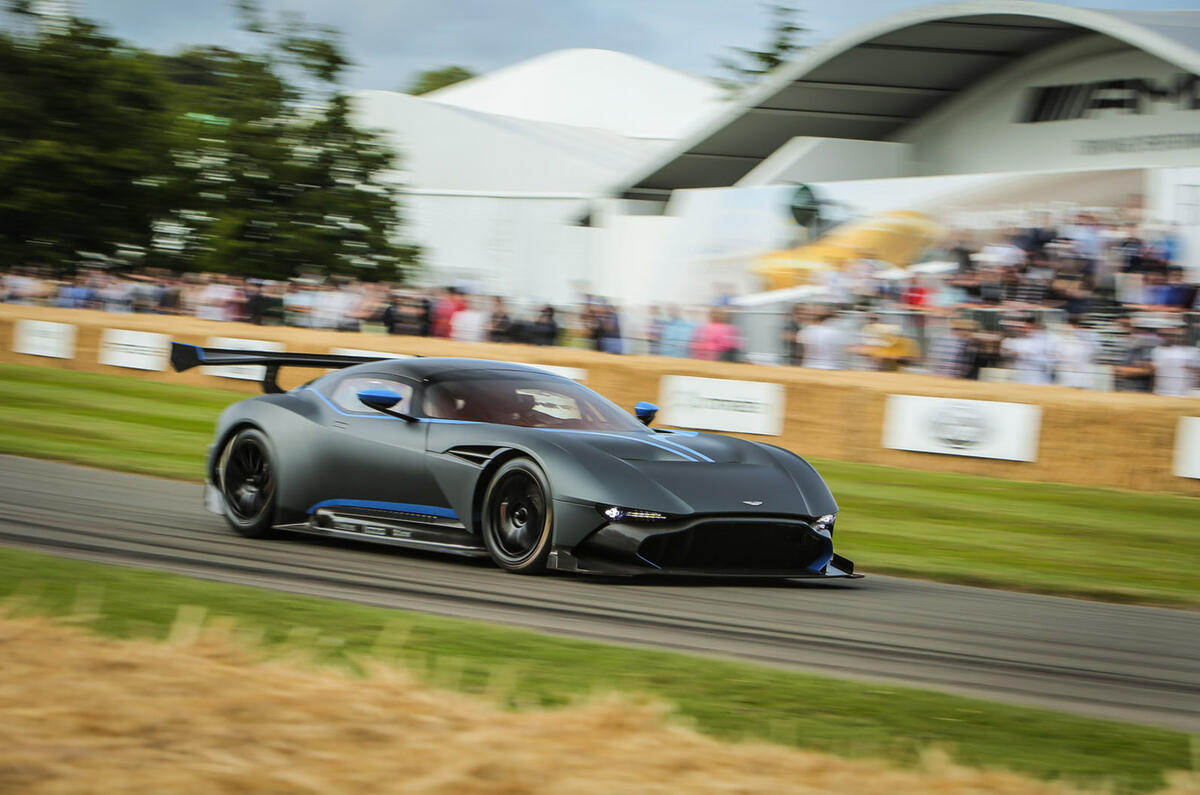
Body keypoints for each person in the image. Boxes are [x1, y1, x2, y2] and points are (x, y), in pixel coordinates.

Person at [1000, 317, 1057, 385]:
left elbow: (1049, 359)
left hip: (1037, 375)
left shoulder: (1045, 341)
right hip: (1020, 374)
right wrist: (1011, 352)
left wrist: (1023, 355)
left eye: (1029, 327)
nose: (1026, 330)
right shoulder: (1019, 340)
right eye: (1024, 327)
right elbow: (1004, 353)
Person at [1150, 326, 1200, 397]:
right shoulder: (1158, 350)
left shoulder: (1193, 352)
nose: (1175, 337)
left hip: (1185, 396)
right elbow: (1154, 374)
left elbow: (1197, 373)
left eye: (1180, 335)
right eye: (1172, 335)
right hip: (1161, 394)